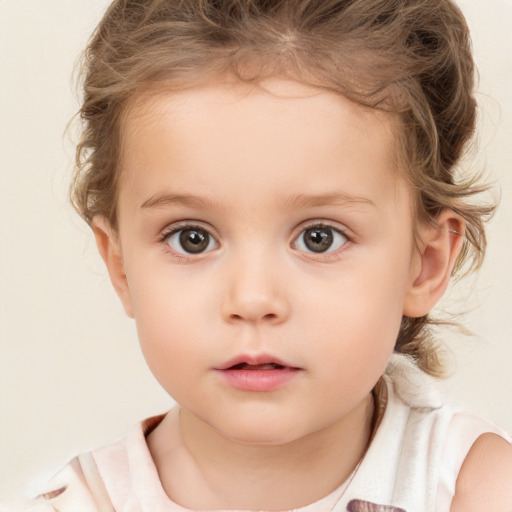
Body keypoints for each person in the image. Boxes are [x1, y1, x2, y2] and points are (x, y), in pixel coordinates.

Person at [13, 0, 512, 510]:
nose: (252, 299)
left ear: (424, 264)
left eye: (320, 237)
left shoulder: (475, 490)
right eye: (192, 238)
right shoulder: (79, 503)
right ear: (121, 266)